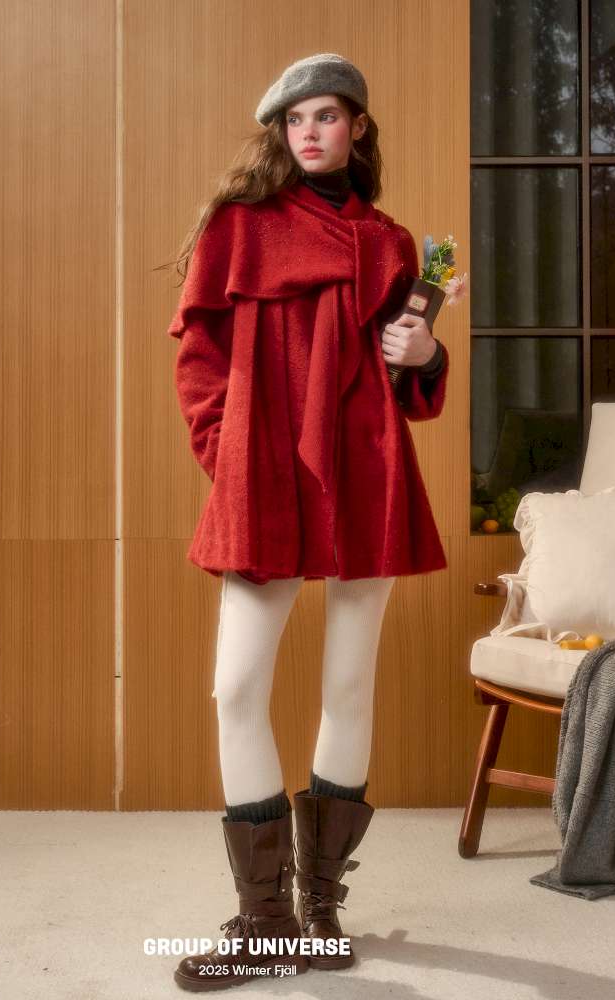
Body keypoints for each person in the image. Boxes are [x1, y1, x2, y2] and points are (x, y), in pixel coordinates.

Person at [165, 53, 449, 993]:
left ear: (357, 127)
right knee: (236, 688)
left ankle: (318, 909)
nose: (311, 133)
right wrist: (229, 453)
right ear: (280, 132)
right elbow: (199, 358)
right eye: (296, 120)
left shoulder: (391, 244)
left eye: (327, 116)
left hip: (364, 473)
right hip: (264, 474)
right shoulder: (240, 227)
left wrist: (424, 351)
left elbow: (405, 388)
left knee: (349, 687)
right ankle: (266, 922)